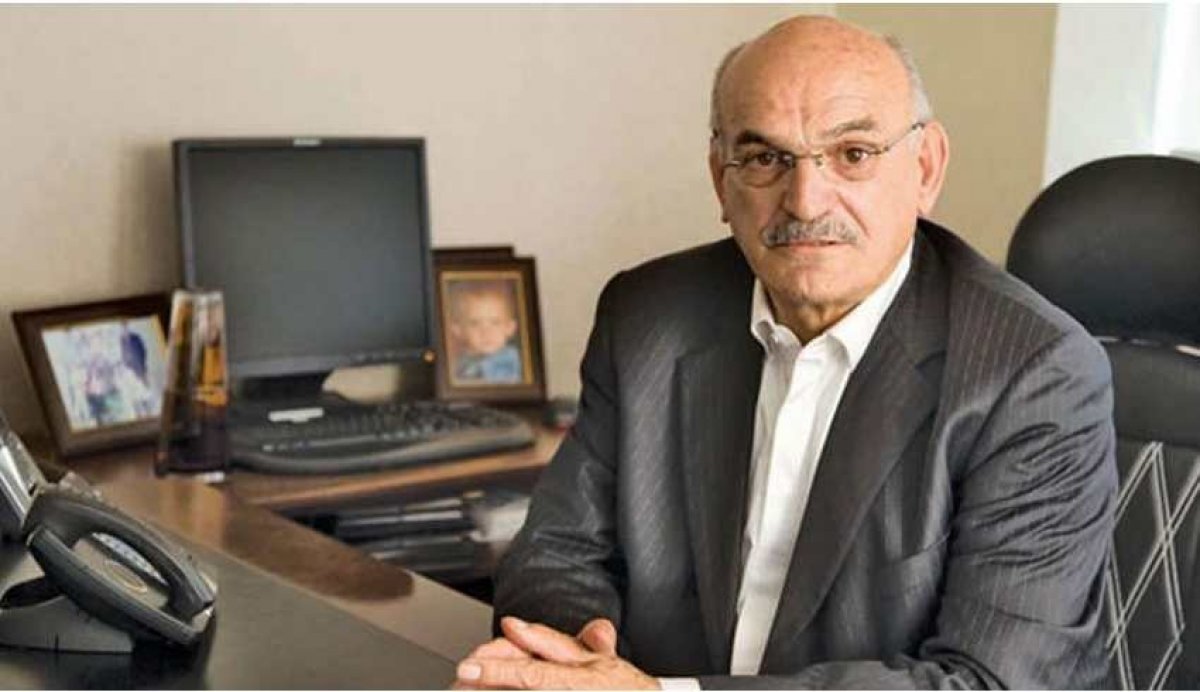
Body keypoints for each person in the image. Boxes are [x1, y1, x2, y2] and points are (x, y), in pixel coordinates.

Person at [457, 15, 1117, 690]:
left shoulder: (1033, 373)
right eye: (765, 159)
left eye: (853, 154)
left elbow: (988, 681)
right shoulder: (647, 316)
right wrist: (571, 662)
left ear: (925, 168)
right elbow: (557, 553)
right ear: (720, 179)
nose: (804, 201)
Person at [450, 281, 524, 384]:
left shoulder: (511, 361)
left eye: (495, 323)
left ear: (510, 328)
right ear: (458, 330)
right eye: (475, 323)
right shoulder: (459, 363)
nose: (486, 332)